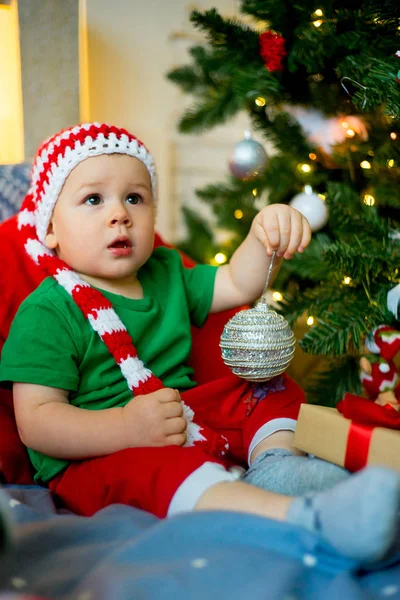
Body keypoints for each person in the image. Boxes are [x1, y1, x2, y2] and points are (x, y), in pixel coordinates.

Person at [0, 122, 399, 563]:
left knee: (262, 385)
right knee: (162, 470)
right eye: (93, 199)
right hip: (98, 453)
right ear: (51, 227)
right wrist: (126, 429)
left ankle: (277, 467)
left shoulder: (165, 270)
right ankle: (306, 518)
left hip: (182, 411)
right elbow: (36, 422)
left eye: (135, 197)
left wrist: (264, 234)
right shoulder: (47, 311)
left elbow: (235, 283)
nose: (120, 214)